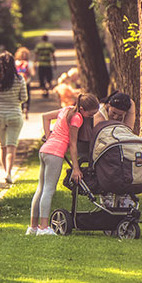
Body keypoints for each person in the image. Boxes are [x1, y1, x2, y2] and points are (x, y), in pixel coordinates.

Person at [27, 94, 99, 236]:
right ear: (83, 109)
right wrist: (76, 169)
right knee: (48, 190)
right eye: (90, 114)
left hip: (45, 151)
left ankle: (33, 227)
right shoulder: (77, 118)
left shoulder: (66, 110)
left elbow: (45, 117)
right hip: (55, 153)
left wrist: (48, 138)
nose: (91, 117)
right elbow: (73, 145)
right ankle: (43, 228)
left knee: (40, 189)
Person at [0, 52, 27, 184]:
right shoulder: (20, 79)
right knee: (11, 146)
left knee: (2, 146)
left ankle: (5, 172)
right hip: (15, 114)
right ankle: (9, 173)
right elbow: (24, 98)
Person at [14, 47, 33, 120]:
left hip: (18, 83)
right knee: (27, 96)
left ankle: (21, 109)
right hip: (27, 81)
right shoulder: (29, 63)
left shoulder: (15, 63)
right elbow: (32, 73)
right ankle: (26, 108)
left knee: (19, 96)